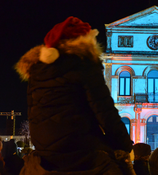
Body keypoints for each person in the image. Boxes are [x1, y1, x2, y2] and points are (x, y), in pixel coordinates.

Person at [15, 16, 133, 174]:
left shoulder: (36, 72)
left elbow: (34, 115)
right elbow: (105, 111)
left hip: (45, 151)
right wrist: (124, 145)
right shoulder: (84, 64)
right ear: (84, 40)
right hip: (81, 147)